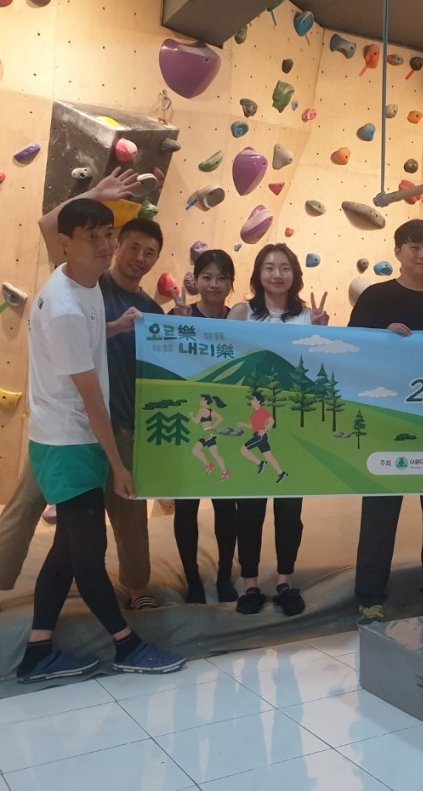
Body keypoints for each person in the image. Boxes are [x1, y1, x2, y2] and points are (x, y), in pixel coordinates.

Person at [0, 169, 161, 622]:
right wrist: (95, 193)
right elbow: (50, 225)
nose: (138, 258)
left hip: (120, 419)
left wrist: (130, 326)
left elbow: (103, 346)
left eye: (150, 253)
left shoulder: (147, 307)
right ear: (114, 246)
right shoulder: (85, 277)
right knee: (28, 501)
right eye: (131, 246)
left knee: (128, 510)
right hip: (67, 426)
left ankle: (138, 588)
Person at [15, 198, 184, 681]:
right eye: (93, 236)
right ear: (64, 243)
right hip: (68, 443)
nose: (106, 245)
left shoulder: (83, 286)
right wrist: (119, 466)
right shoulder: (65, 306)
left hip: (73, 439)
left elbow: (86, 343)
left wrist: (116, 326)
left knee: (67, 550)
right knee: (88, 555)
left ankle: (38, 651)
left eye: (108, 233)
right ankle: (126, 644)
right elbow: (92, 400)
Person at [349, 220, 423, 624]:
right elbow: (353, 349)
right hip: (388, 419)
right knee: (380, 513)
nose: (422, 255)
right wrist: (381, 337)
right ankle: (369, 596)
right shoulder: (375, 298)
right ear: (398, 251)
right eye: (414, 247)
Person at [226, 243, 329, 616]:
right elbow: (223, 354)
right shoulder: (242, 313)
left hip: (293, 425)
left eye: (284, 267)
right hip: (252, 414)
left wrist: (323, 332)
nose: (277, 274)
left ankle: (285, 580)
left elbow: (320, 365)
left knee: (289, 509)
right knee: (249, 509)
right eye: (269, 267)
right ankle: (250, 585)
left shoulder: (308, 316)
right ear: (258, 274)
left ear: (295, 274)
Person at [170, 249, 239, 604]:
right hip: (189, 421)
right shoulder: (179, 315)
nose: (214, 284)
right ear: (195, 281)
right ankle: (193, 580)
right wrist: (177, 329)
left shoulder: (239, 319)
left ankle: (225, 575)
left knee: (227, 506)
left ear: (231, 283)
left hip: (224, 425)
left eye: (221, 278)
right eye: (207, 277)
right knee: (186, 507)